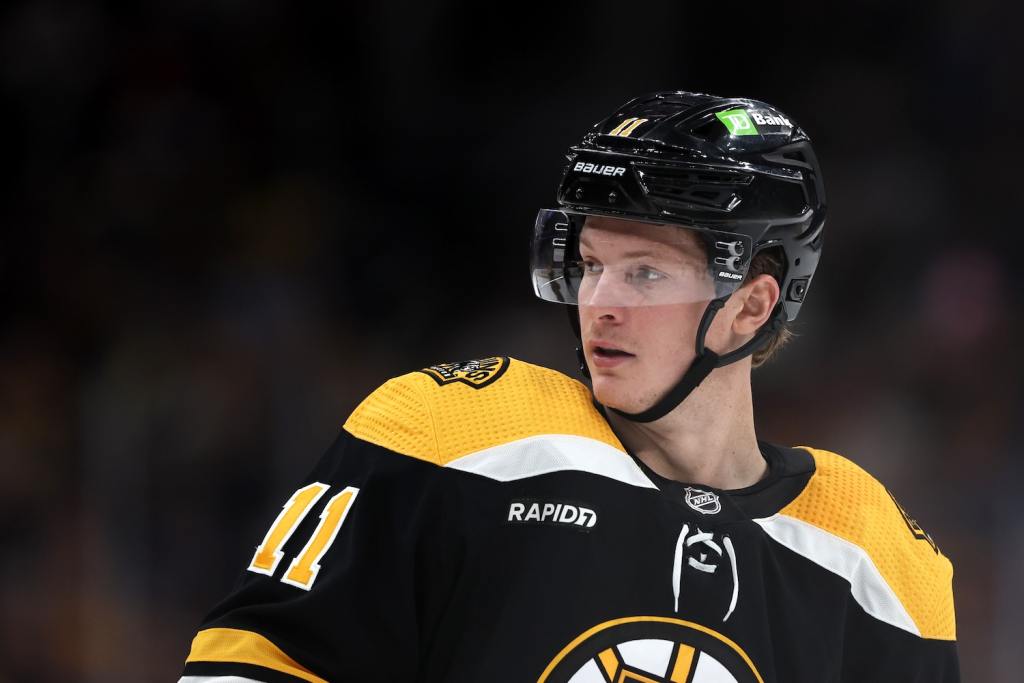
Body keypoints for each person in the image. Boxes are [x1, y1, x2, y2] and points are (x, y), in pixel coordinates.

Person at [178, 91, 959, 682]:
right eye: (591, 264)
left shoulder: (877, 562)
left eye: (645, 272)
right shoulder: (456, 438)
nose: (601, 301)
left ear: (752, 304)